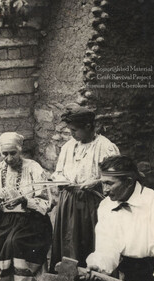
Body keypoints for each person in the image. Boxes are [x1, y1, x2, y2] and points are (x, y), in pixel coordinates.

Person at [0, 132, 53, 281]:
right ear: (0, 152)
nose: (9, 158)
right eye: (5, 154)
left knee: (15, 241)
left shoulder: (33, 168)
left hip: (31, 219)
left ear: (20, 150)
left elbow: (47, 201)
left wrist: (25, 200)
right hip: (3, 219)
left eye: (13, 153)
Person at [86, 155, 154, 281]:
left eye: (110, 184)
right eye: (103, 184)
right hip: (126, 277)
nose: (105, 190)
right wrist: (98, 266)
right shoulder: (106, 206)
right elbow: (107, 247)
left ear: (129, 182)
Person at [50, 103, 119, 271]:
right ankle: (66, 277)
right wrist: (61, 181)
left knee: (89, 239)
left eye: (74, 130)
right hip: (69, 202)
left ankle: (90, 279)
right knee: (68, 239)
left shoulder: (105, 147)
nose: (72, 134)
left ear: (88, 127)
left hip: (92, 203)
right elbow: (58, 171)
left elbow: (116, 177)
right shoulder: (68, 147)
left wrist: (95, 181)